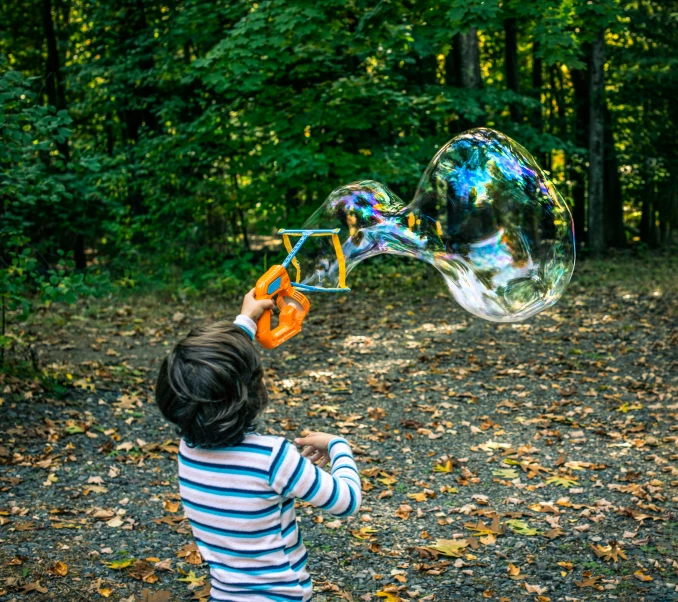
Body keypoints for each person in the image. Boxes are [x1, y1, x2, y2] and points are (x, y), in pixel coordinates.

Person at [155, 289, 362, 602]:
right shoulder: (272, 458)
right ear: (253, 393)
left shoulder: (188, 449)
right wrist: (338, 446)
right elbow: (346, 501)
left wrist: (246, 321)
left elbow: (214, 378)